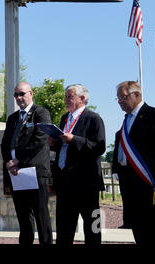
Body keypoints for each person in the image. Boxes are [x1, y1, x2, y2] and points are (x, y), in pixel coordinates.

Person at [49, 84, 105, 245]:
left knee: (92, 228)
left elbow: (99, 147)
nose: (66, 100)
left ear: (82, 98)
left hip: (86, 184)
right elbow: (64, 146)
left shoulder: (94, 119)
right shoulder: (64, 118)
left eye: (69, 96)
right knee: (64, 229)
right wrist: (53, 142)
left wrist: (74, 139)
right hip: (64, 182)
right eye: (65, 96)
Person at [112, 81, 155, 245]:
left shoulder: (153, 115)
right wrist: (116, 168)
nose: (121, 102)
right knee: (139, 231)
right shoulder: (126, 120)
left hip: (148, 182)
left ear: (136, 94)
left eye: (123, 97)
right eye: (118, 99)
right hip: (130, 185)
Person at [0, 81, 53, 245]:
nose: (19, 97)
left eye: (22, 94)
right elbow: (4, 144)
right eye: (16, 94)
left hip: (36, 172)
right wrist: (10, 162)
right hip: (16, 173)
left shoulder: (41, 113)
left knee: (41, 216)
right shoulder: (12, 118)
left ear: (31, 93)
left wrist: (19, 160)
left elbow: (40, 140)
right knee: (23, 217)